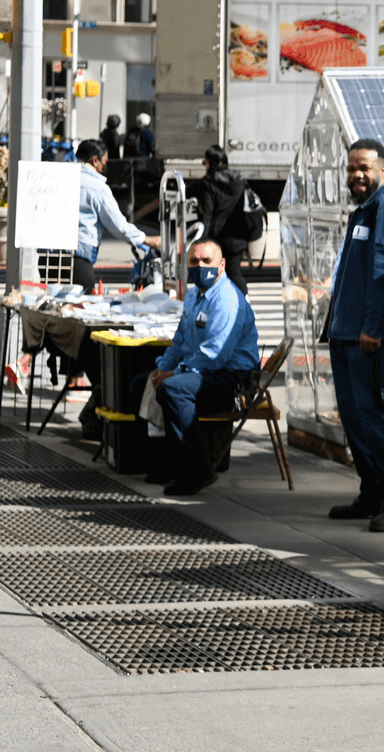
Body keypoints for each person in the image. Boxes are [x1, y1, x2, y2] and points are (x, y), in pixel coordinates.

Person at [327, 138, 384, 532]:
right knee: (355, 419)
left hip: (366, 338)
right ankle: (372, 493)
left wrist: (374, 327)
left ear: (383, 169)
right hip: (345, 335)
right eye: (351, 169)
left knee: (378, 419)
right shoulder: (362, 212)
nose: (357, 175)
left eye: (364, 167)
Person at [132, 240, 258, 496]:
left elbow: (215, 355)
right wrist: (163, 368)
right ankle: (167, 462)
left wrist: (175, 374)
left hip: (231, 378)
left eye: (206, 261)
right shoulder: (193, 295)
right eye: (194, 262)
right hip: (202, 371)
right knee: (141, 383)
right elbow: (179, 340)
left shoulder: (226, 299)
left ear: (221, 265)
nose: (200, 267)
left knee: (174, 389)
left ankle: (198, 469)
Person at [75, 139, 160, 437]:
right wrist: (147, 240)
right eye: (106, 161)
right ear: (97, 160)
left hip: (53, 257)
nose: (106, 167)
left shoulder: (63, 176)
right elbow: (119, 225)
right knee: (87, 328)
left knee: (73, 323)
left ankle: (89, 389)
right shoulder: (97, 187)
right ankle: (100, 395)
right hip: (80, 257)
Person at [194, 145, 250, 291]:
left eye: (206, 162)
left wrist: (202, 240)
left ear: (212, 163)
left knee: (214, 274)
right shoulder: (239, 180)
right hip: (238, 234)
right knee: (233, 272)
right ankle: (243, 303)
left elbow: (206, 213)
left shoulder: (208, 183)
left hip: (217, 236)